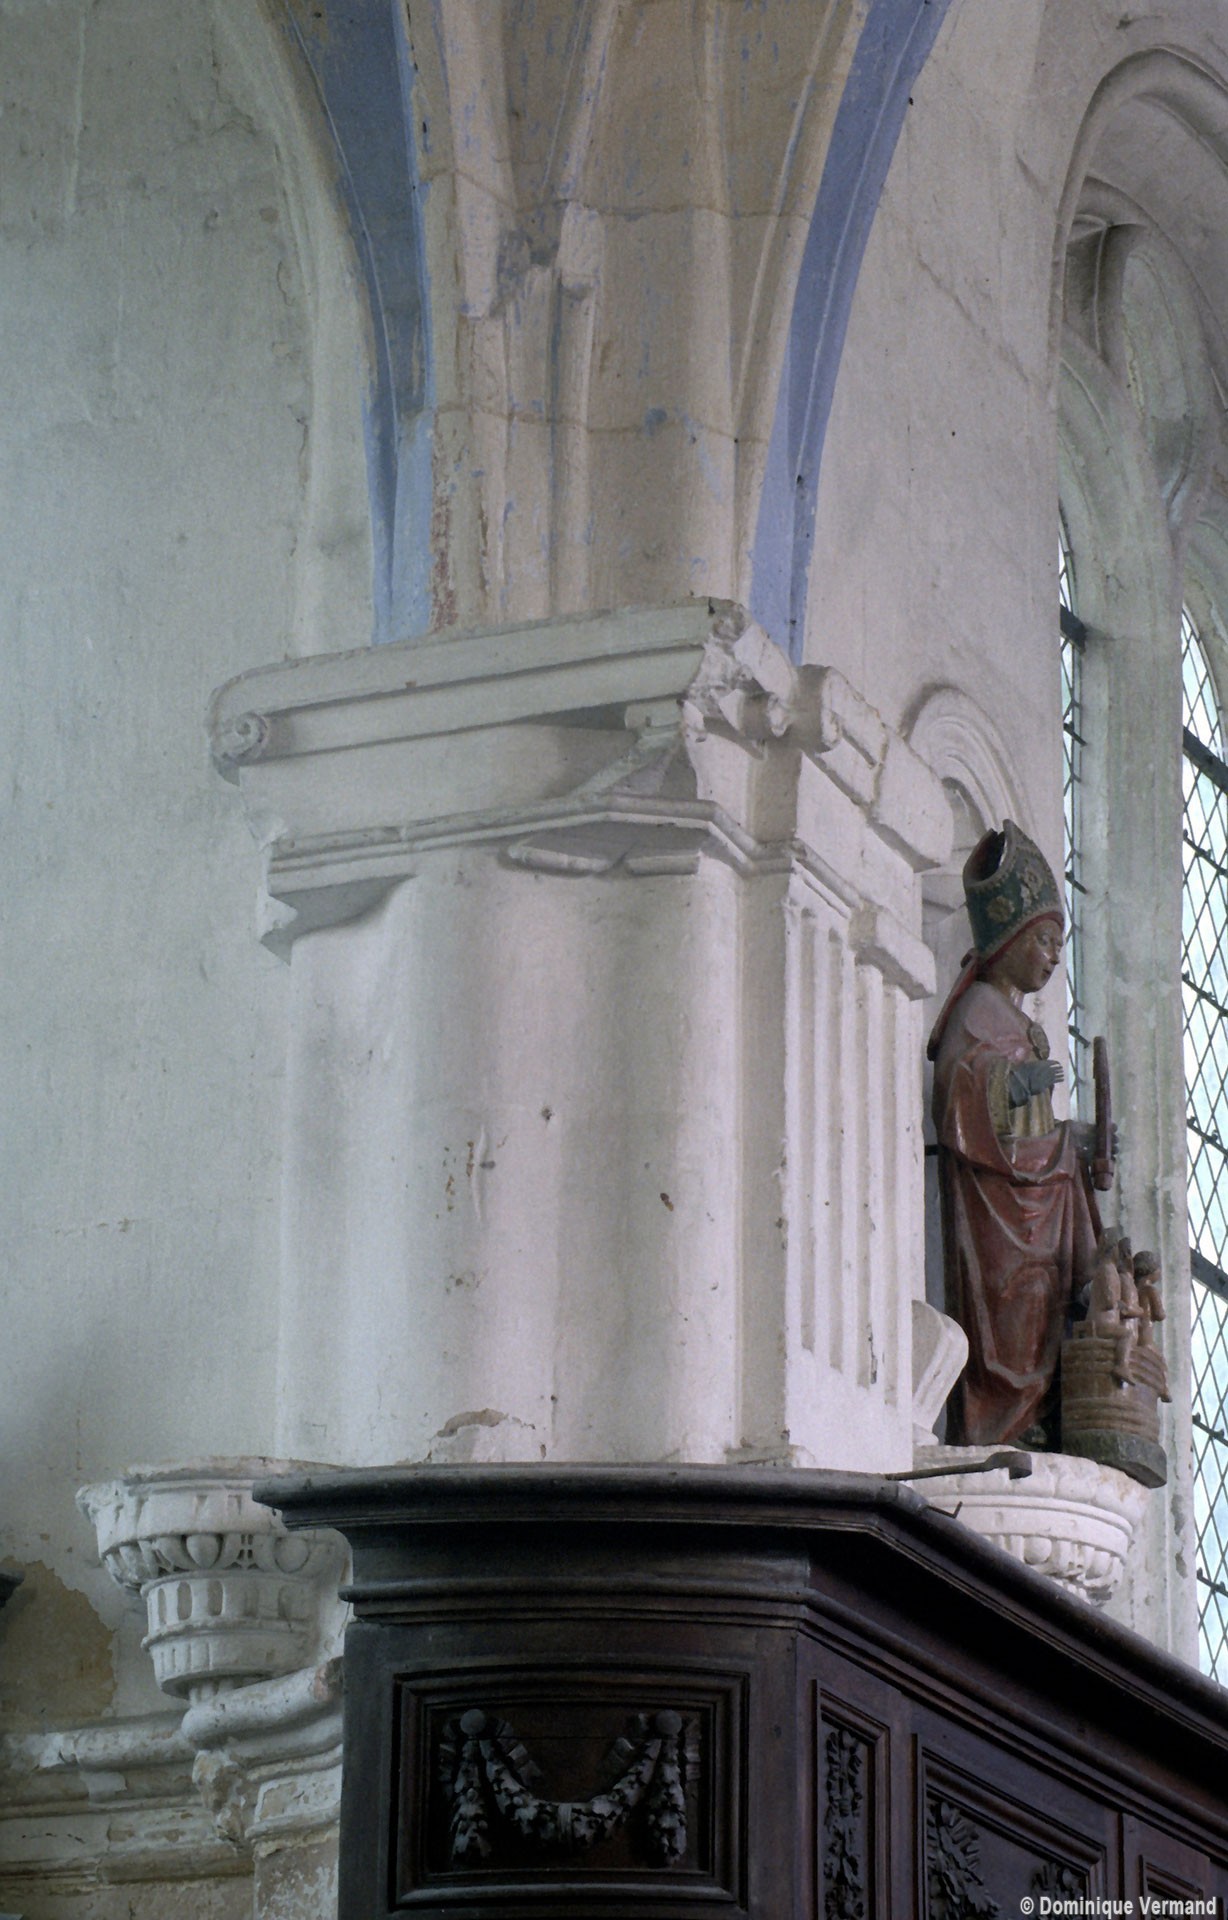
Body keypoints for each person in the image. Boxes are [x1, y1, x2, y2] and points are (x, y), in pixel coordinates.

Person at [928, 821, 1103, 1446]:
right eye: (1046, 942)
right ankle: (1006, 1419)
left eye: (1060, 946)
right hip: (998, 1210)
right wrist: (1018, 1088)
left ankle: (1039, 1415)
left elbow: (1033, 1130)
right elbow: (960, 1095)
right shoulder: (978, 1009)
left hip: (1036, 1202)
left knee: (1044, 1304)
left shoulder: (1015, 1019)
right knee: (1014, 1307)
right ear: (1010, 939)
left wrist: (1076, 1140)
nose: (1054, 958)